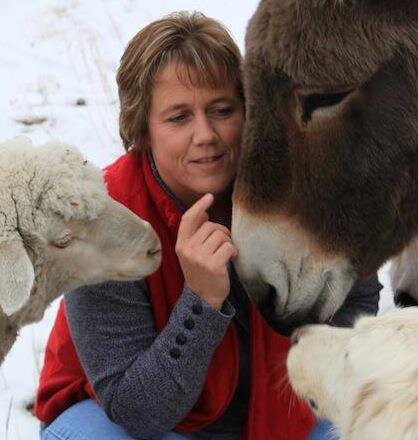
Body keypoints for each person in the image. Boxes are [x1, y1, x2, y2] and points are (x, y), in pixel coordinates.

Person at [35, 11, 382, 440]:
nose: (206, 135)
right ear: (142, 128)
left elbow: (357, 303)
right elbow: (137, 412)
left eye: (222, 110)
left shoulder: (297, 188)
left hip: (282, 415)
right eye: (178, 117)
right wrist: (201, 301)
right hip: (143, 424)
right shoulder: (103, 217)